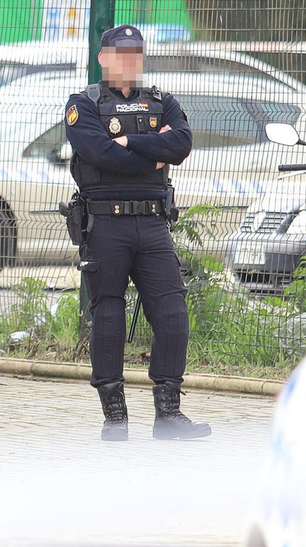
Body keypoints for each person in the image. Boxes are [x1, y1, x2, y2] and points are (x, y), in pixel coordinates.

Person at [65, 25, 210, 441]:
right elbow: (99, 153)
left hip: (152, 224)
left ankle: (168, 414)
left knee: (172, 313)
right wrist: (153, 153)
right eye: (121, 54)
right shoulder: (84, 104)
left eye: (136, 54)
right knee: (109, 316)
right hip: (105, 224)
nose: (130, 61)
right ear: (103, 58)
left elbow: (181, 145)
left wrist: (128, 140)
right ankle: (115, 417)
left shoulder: (162, 101)